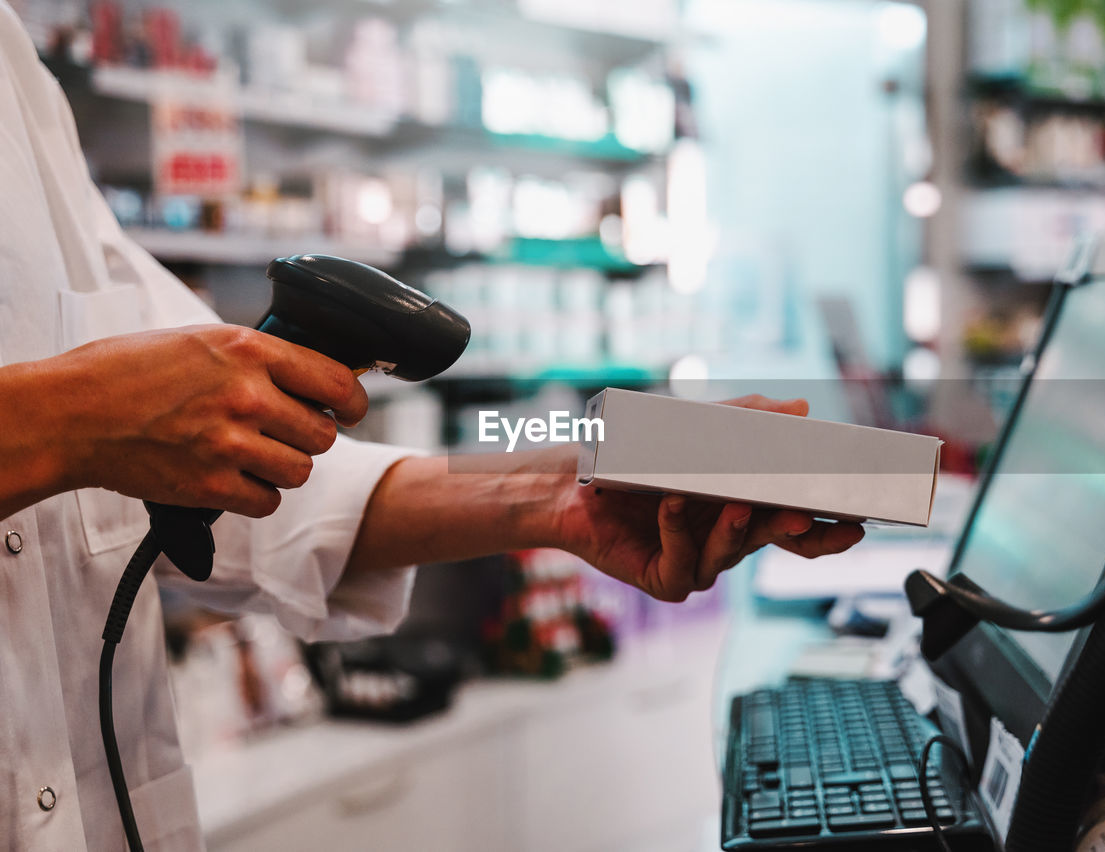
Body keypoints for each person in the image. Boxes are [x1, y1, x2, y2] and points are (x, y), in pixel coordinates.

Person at [0, 4, 865, 850]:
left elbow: (253, 482)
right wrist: (65, 421)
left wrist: (565, 490)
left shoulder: (18, 75)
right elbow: (111, 423)